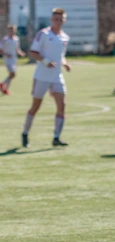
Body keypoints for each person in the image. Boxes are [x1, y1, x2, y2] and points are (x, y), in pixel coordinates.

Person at [21, 8, 70, 148]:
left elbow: (61, 56)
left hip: (57, 76)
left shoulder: (65, 37)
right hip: (42, 76)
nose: (58, 22)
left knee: (62, 105)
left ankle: (56, 137)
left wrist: (65, 64)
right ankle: (25, 133)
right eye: (56, 19)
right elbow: (33, 52)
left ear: (64, 21)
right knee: (35, 106)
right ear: (51, 20)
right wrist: (45, 61)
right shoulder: (43, 34)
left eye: (61, 20)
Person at [1, 25, 26, 95]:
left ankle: (3, 86)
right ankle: (4, 87)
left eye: (13, 30)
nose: (12, 31)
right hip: (7, 59)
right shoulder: (5, 39)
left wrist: (21, 53)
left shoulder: (16, 39)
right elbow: (1, 49)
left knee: (12, 75)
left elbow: (17, 49)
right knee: (13, 74)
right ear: (8, 31)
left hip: (14, 59)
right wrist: (6, 54)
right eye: (11, 30)